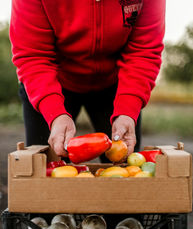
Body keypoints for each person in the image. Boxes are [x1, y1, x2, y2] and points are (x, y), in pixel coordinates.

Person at [10, 0, 165, 162]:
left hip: (117, 84)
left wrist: (128, 109)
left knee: (123, 168)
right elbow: (33, 55)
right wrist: (54, 112)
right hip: (49, 83)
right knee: (45, 167)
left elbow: (143, 51)